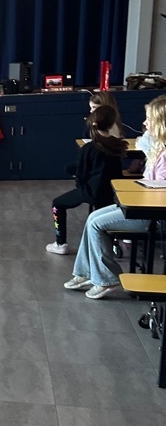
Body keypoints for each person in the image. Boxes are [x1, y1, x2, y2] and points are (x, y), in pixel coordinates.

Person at [64, 94, 166, 299]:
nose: (145, 123)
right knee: (93, 218)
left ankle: (106, 279)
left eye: (149, 119)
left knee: (95, 224)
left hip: (153, 215)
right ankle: (86, 273)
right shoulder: (158, 148)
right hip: (142, 205)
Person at [46, 106, 128, 255]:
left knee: (57, 204)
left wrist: (81, 188)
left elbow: (81, 174)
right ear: (112, 124)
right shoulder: (118, 146)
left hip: (91, 191)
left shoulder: (89, 148)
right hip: (112, 192)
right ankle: (112, 243)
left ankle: (60, 243)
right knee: (103, 211)